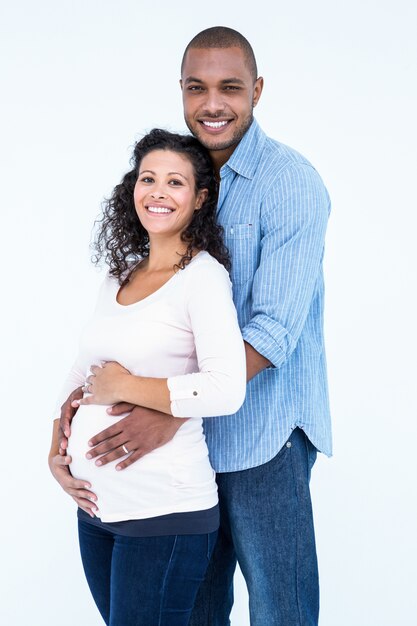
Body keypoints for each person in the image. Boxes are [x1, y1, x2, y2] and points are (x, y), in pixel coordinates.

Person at [56, 26, 332, 626]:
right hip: (186, 459)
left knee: (281, 610)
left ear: (257, 90)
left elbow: (276, 328)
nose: (212, 104)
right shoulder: (177, 174)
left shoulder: (291, 183)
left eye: (230, 87)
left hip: (266, 434)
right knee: (195, 611)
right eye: (196, 88)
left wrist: (171, 408)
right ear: (181, 92)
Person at [48, 128, 246, 626]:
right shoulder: (120, 276)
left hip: (163, 513)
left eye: (175, 183)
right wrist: (57, 443)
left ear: (200, 199)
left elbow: (226, 387)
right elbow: (83, 366)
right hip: (97, 510)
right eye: (148, 178)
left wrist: (127, 389)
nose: (157, 192)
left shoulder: (202, 278)